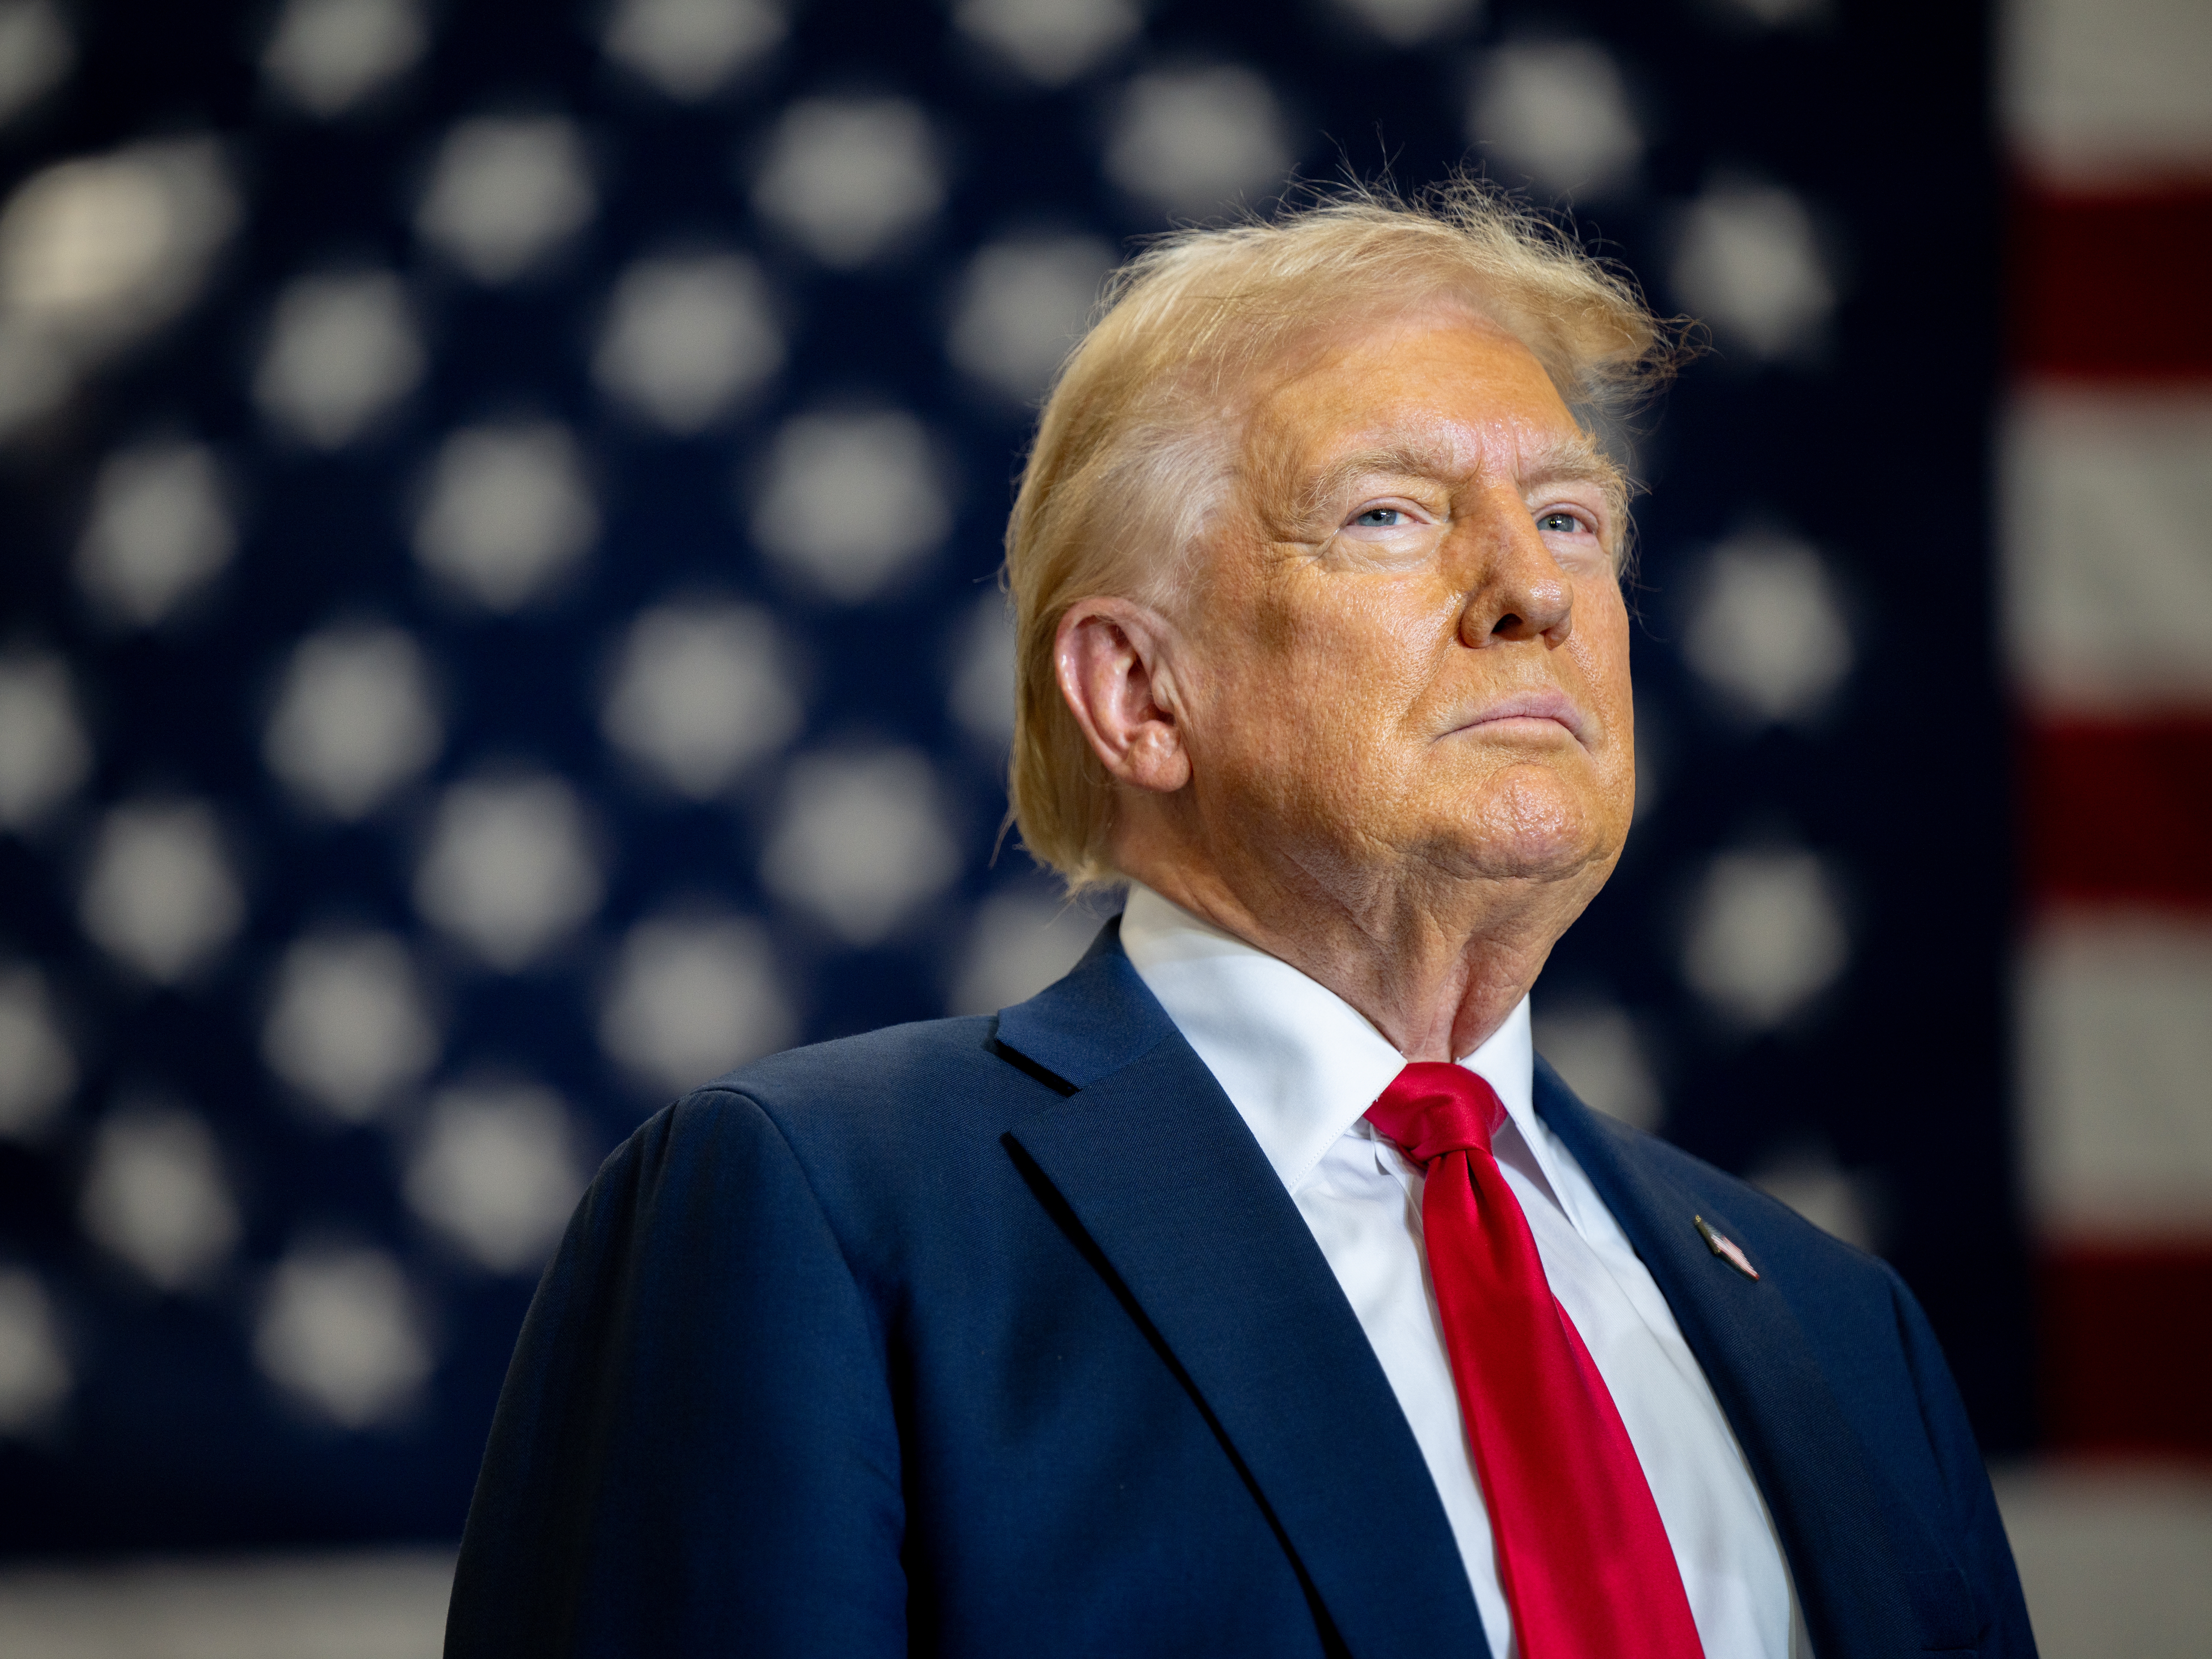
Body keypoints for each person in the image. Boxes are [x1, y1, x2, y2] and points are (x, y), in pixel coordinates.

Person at [444, 184, 2034, 1659]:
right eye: (1390, 515)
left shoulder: (1841, 1327)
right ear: (1138, 693)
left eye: (1568, 519)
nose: (1529, 592)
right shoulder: (819, 1214)